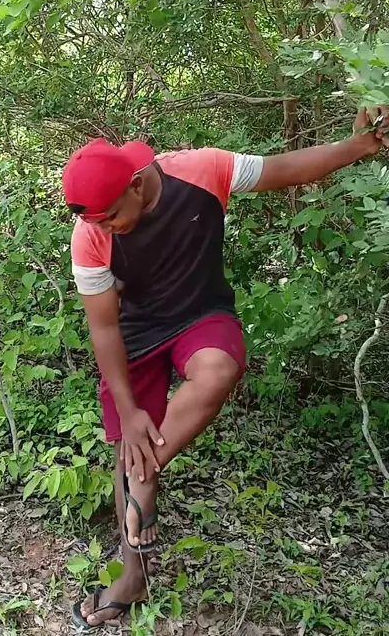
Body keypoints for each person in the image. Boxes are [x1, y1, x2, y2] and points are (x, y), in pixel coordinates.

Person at [63, 107, 388, 630]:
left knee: (214, 374)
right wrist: (129, 410)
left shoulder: (201, 169)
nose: (103, 228)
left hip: (201, 315)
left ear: (136, 184)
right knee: (131, 444)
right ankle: (133, 575)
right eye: (94, 221)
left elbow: (285, 168)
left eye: (109, 216)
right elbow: (104, 329)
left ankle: (142, 481)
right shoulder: (90, 236)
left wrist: (357, 147)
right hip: (136, 332)